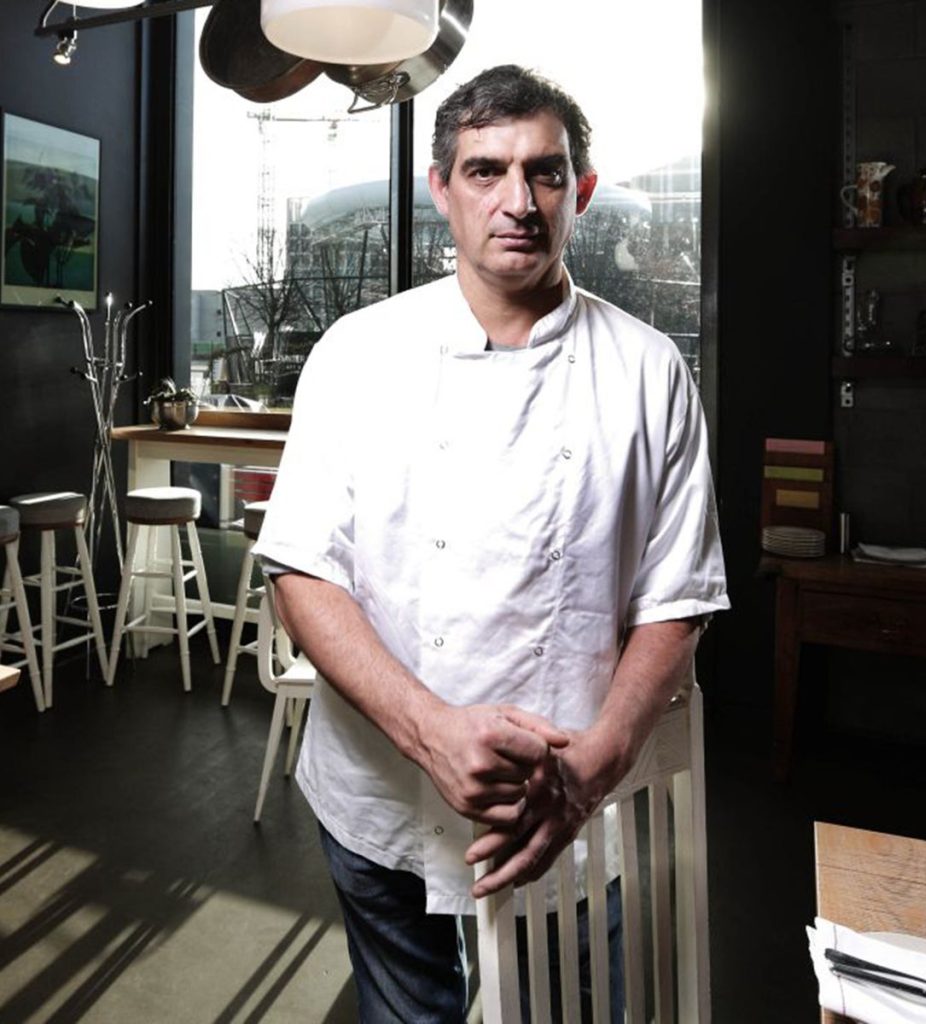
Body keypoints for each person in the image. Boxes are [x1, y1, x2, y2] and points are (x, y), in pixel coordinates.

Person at [254, 63, 729, 1023]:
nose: (518, 201)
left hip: (568, 803)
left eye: (544, 172)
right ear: (442, 188)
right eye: (485, 171)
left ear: (579, 191)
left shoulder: (649, 372)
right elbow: (302, 569)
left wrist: (598, 763)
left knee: (575, 1009)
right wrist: (428, 730)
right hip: (380, 787)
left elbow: (676, 599)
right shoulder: (356, 354)